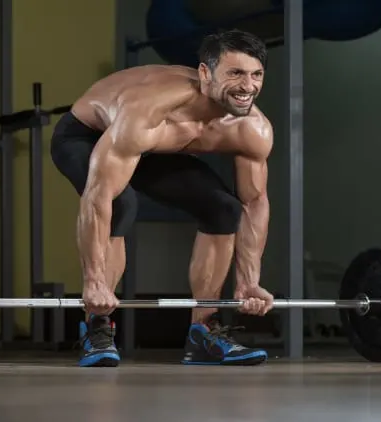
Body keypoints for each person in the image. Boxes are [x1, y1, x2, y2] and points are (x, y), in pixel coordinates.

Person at [50, 29, 275, 367]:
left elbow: (254, 202)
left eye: (256, 75)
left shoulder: (252, 129)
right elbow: (99, 197)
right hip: (89, 137)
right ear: (204, 73)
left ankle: (204, 331)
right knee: (121, 202)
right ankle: (97, 326)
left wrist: (249, 282)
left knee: (224, 208)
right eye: (235, 73)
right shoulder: (151, 108)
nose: (248, 86)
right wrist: (93, 281)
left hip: (158, 149)